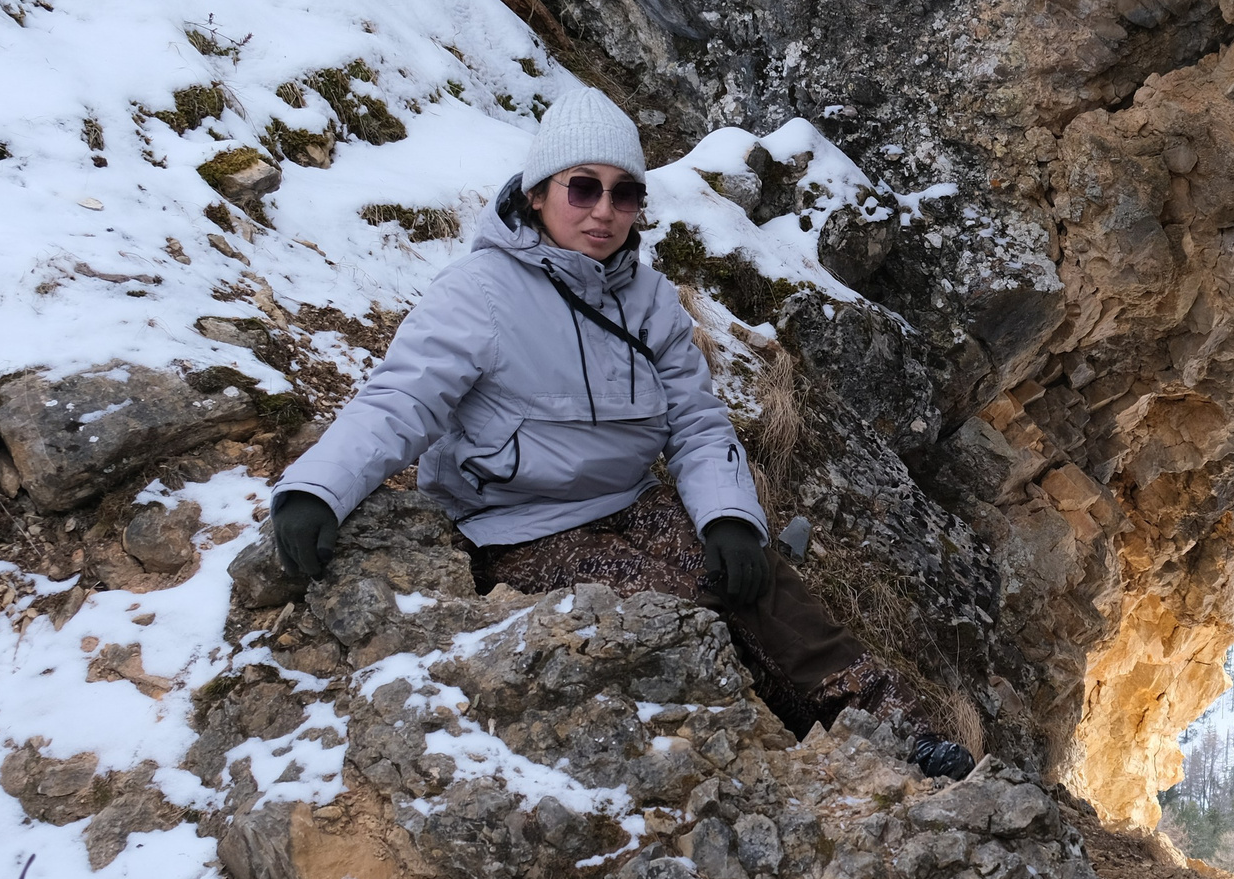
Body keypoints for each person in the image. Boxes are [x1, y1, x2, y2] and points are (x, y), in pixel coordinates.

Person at [267, 86, 976, 778]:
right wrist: (316, 491)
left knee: (761, 581)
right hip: (516, 527)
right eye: (582, 188)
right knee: (683, 606)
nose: (604, 211)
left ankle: (901, 738)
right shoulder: (477, 294)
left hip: (630, 499)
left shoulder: (648, 299)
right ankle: (803, 758)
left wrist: (730, 518)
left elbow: (697, 423)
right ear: (539, 192)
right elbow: (398, 403)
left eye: (624, 194)